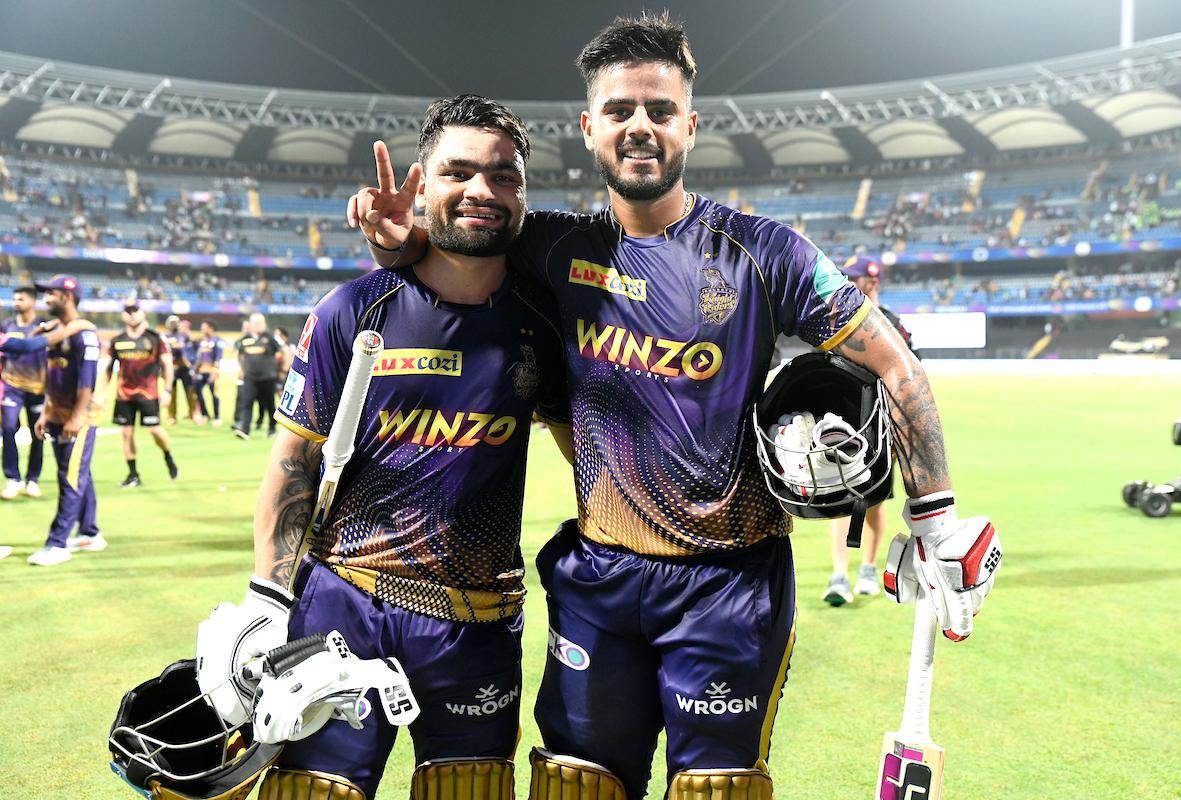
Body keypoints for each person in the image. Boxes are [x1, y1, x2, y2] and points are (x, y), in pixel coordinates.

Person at [354, 14, 1000, 799]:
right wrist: (399, 243)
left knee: (717, 792)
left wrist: (935, 522)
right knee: (574, 787)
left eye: (659, 111)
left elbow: (895, 363)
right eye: (620, 111)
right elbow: (462, 239)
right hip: (599, 583)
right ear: (590, 128)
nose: (639, 127)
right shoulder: (553, 247)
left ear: (689, 126)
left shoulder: (766, 254)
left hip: (730, 589)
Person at [201, 95, 566, 800]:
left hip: (478, 620)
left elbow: (589, 445)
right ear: (422, 182)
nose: (483, 191)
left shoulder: (543, 322)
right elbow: (294, 461)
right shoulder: (352, 309)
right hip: (344, 607)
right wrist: (267, 599)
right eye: (459, 173)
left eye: (505, 176)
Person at [822, 255, 920, 606]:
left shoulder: (891, 321)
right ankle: (838, 575)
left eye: (867, 278)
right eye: (858, 276)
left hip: (880, 425)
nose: (864, 282)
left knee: (874, 503)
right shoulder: (835, 317)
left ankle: (866, 570)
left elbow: (913, 368)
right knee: (841, 501)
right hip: (843, 422)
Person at [26, 275, 104, 566]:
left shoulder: (84, 335)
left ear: (67, 297)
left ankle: (57, 543)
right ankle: (90, 532)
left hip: (78, 419)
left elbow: (87, 384)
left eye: (51, 293)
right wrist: (46, 412)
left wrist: (77, 416)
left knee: (70, 477)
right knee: (77, 472)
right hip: (58, 415)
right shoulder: (56, 333)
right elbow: (52, 378)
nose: (45, 298)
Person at [95, 301, 179, 488]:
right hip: (124, 395)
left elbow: (167, 365)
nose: (131, 314)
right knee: (126, 433)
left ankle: (168, 457)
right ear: (123, 315)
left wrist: (167, 390)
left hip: (148, 393)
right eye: (128, 311)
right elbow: (107, 368)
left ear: (143, 313)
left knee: (155, 430)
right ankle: (133, 474)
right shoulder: (118, 340)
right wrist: (102, 393)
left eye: (135, 311)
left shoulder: (155, 338)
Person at [1, 286, 47, 500]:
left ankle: (32, 480)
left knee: (38, 434)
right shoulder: (6, 326)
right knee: (8, 427)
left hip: (38, 389)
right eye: (15, 299)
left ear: (33, 302)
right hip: (12, 386)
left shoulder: (43, 326)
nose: (16, 302)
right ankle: (13, 478)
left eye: (21, 299)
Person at [232, 312, 279, 439]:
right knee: (247, 403)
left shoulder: (270, 338)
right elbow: (240, 354)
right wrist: (242, 369)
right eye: (255, 322)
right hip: (250, 378)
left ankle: (272, 428)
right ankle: (245, 430)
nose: (257, 325)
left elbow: (279, 352)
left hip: (268, 377)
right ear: (250, 324)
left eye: (260, 322)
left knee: (270, 404)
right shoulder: (245, 339)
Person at [162, 314, 197, 424]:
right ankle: (171, 416)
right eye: (171, 322)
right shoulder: (164, 337)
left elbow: (189, 350)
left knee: (190, 391)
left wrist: (191, 364)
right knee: (172, 393)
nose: (174, 324)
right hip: (171, 368)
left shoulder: (184, 336)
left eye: (175, 322)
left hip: (184, 368)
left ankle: (192, 414)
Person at [192, 320, 225, 425]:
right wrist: (195, 370)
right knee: (198, 392)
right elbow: (199, 357)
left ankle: (217, 417)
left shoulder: (218, 340)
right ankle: (204, 414)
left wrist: (215, 372)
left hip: (212, 371)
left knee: (214, 394)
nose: (201, 329)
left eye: (204, 327)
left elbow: (218, 357)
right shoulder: (202, 341)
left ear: (210, 328)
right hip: (201, 371)